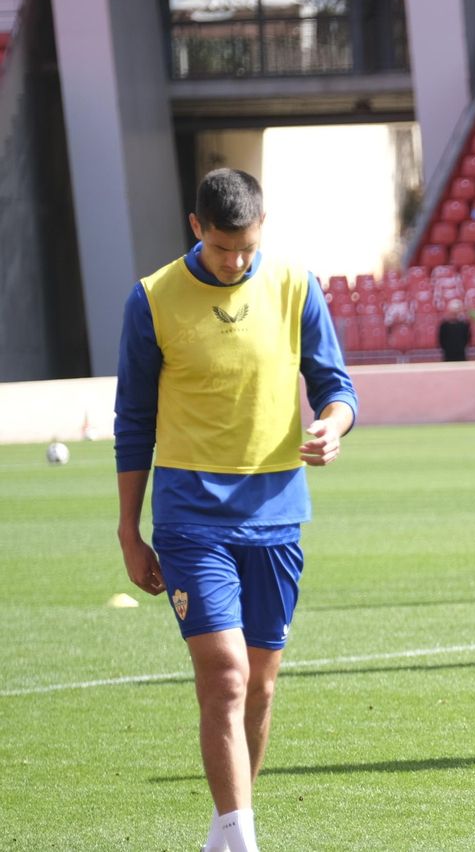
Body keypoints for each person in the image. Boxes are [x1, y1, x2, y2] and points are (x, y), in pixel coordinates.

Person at [114, 168, 358, 852]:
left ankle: (224, 833)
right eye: (224, 248)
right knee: (225, 674)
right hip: (191, 516)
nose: (237, 261)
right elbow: (133, 420)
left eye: (248, 246)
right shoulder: (154, 299)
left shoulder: (295, 284)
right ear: (198, 229)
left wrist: (333, 426)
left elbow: (336, 385)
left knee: (261, 688)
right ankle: (242, 838)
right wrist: (129, 531)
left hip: (278, 512)